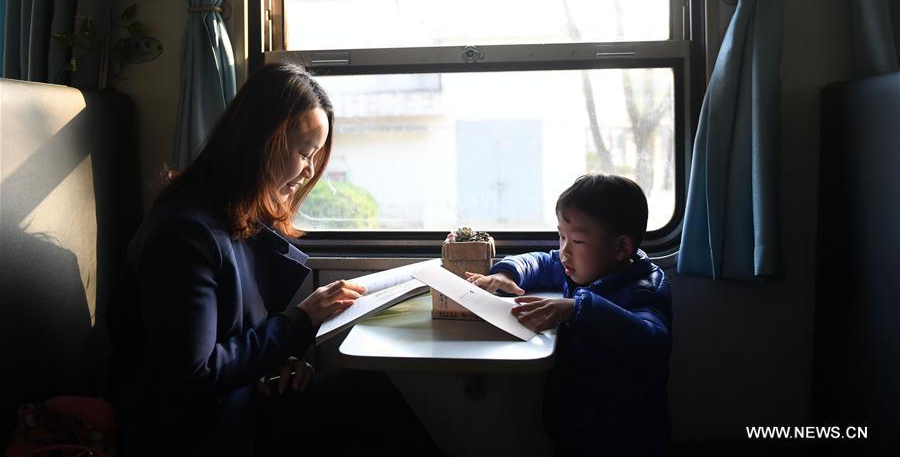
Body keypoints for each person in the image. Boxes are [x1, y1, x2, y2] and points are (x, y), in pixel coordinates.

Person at [108, 62, 441, 456]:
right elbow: (193, 373)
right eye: (304, 153)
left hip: (233, 402)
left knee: (363, 392)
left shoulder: (236, 218)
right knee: (362, 398)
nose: (308, 172)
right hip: (189, 427)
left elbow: (234, 340)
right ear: (261, 141)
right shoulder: (185, 233)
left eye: (315, 157)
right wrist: (301, 320)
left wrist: (275, 366)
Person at [465, 174, 673, 456]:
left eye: (576, 240)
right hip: (576, 422)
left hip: (625, 434)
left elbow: (652, 343)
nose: (564, 251)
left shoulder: (642, 290)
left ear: (621, 247)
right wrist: (504, 273)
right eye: (561, 236)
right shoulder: (581, 269)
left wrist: (577, 309)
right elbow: (541, 260)